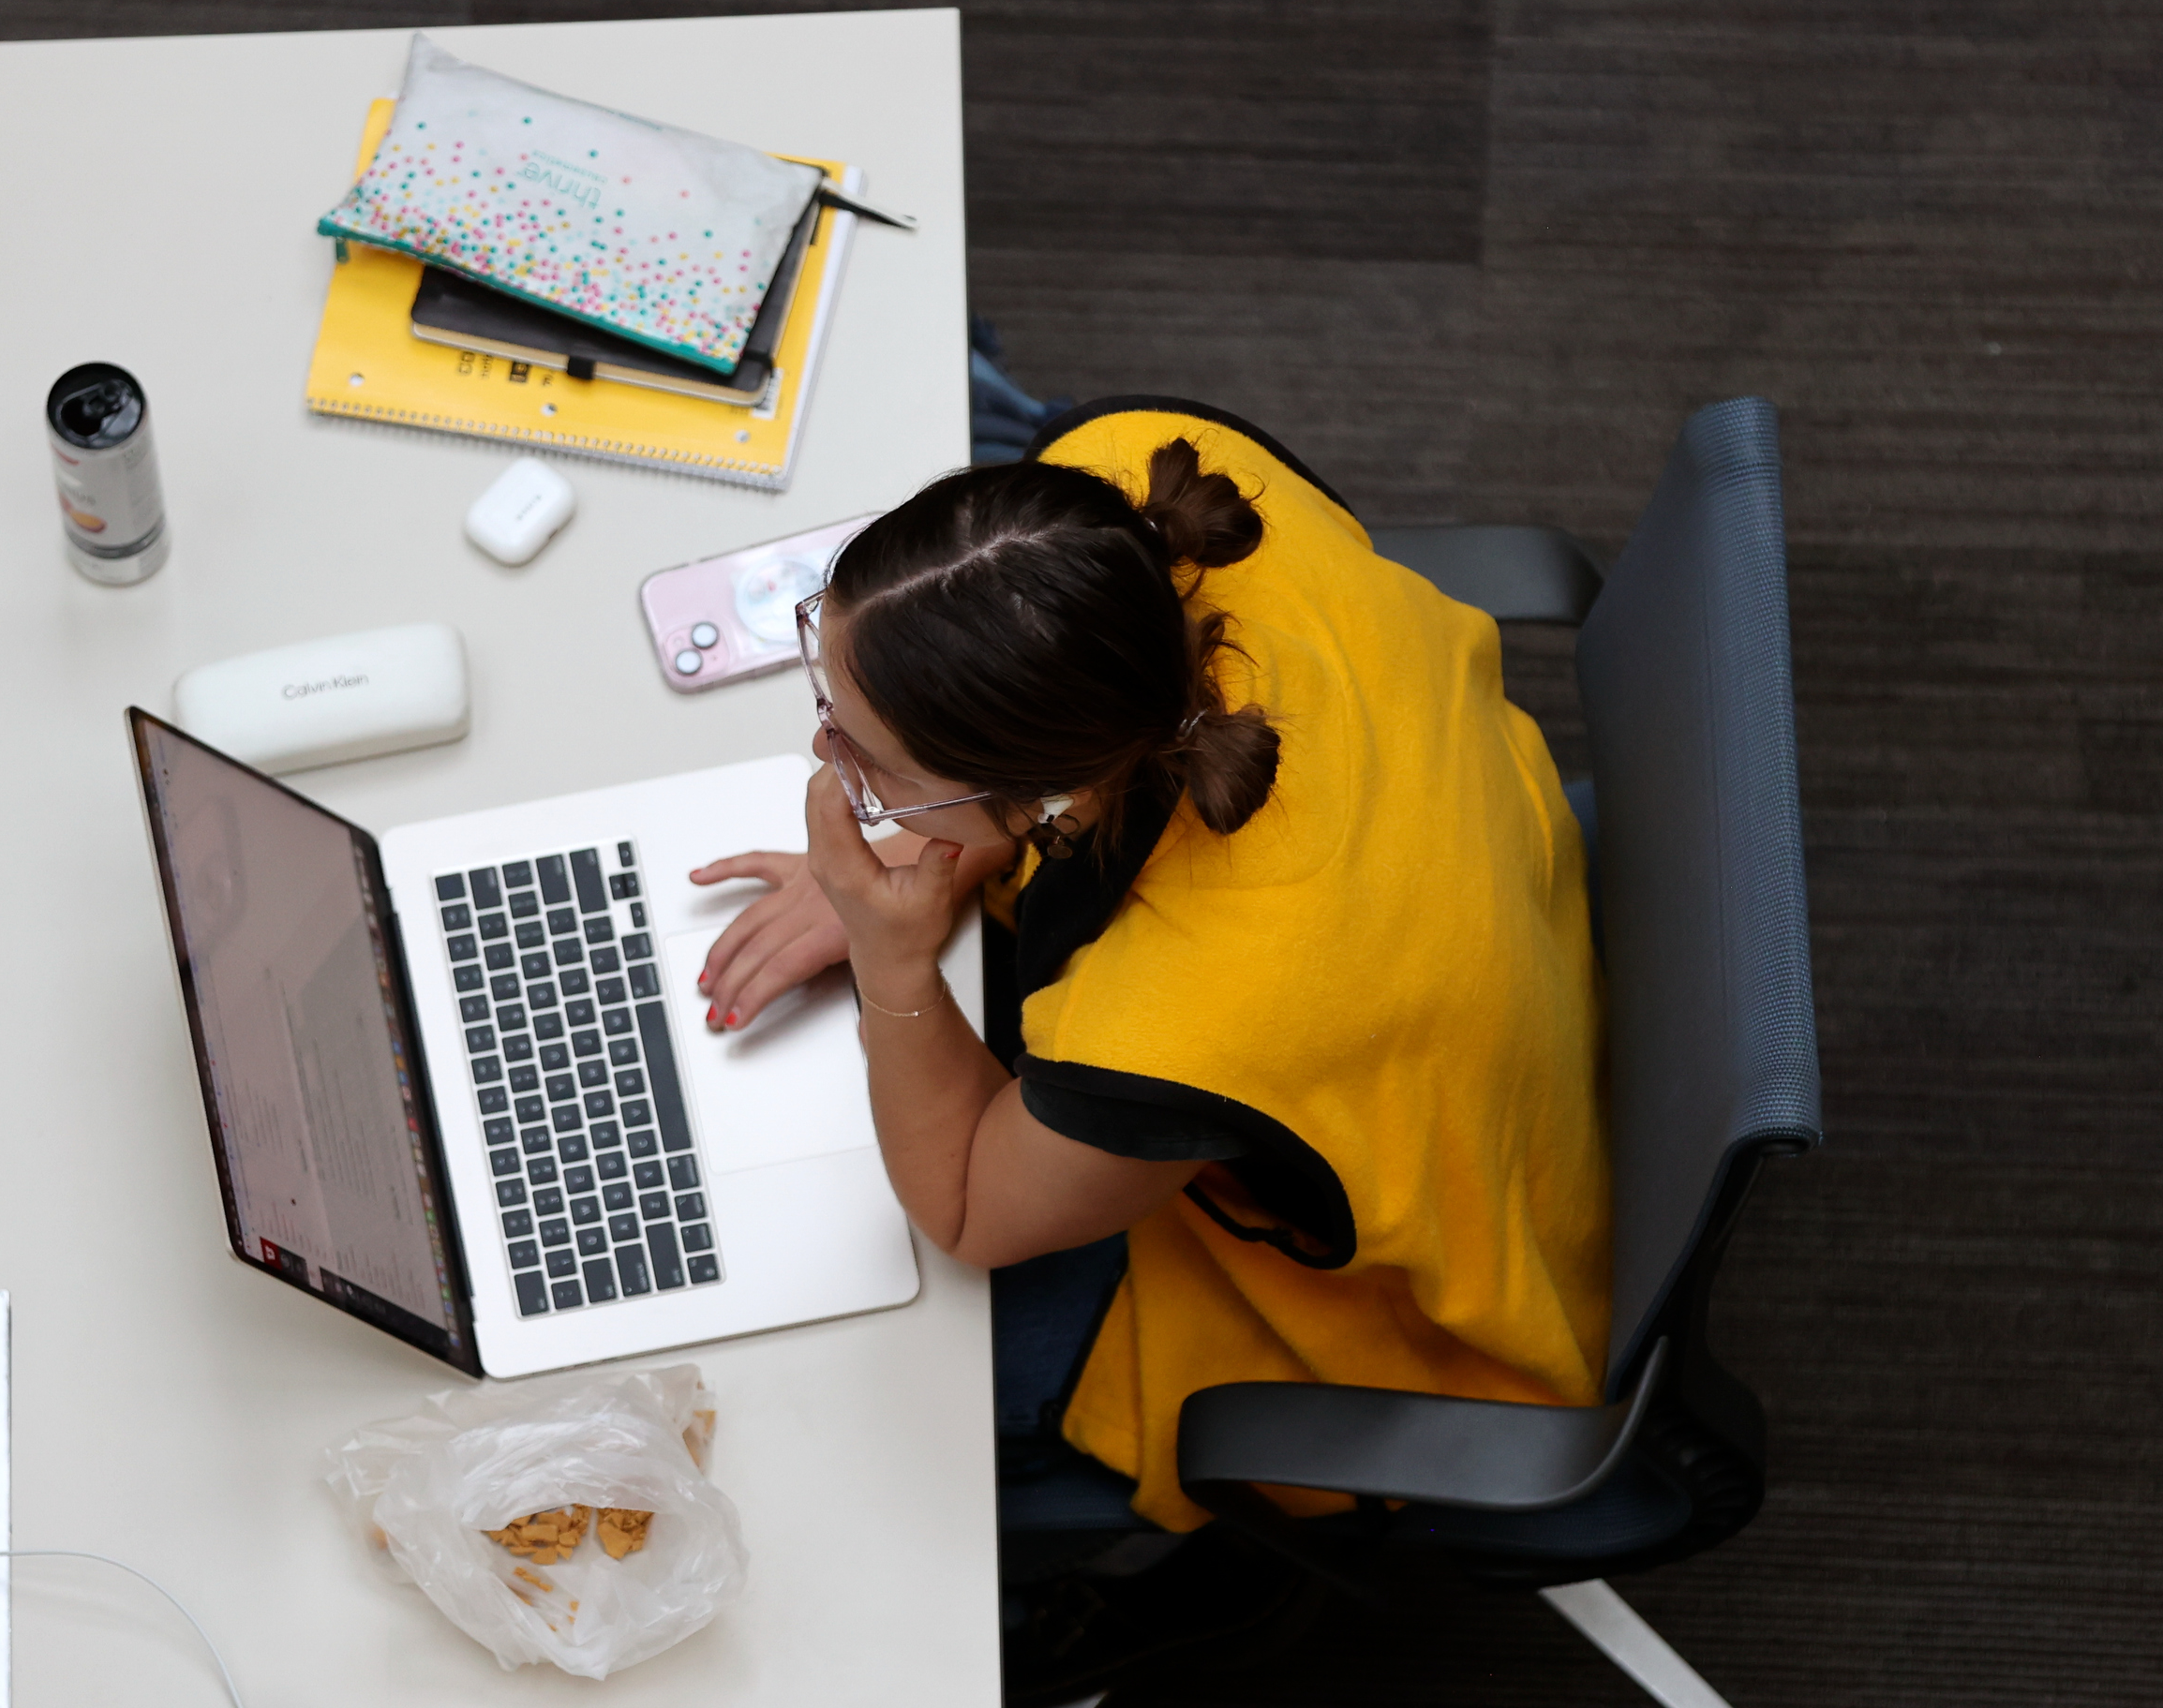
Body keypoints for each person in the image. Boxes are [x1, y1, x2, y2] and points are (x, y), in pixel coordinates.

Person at [690, 399, 1613, 1539]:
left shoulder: (1184, 1020)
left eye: (872, 764)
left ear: (1045, 792)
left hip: (1432, 1314)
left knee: (835, 1413)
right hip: (1491, 900)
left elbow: (966, 1210)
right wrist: (942, 829)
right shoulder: (1137, 464)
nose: (826, 756)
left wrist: (892, 956)